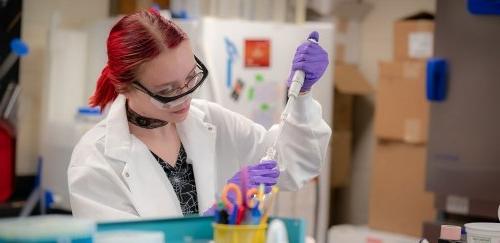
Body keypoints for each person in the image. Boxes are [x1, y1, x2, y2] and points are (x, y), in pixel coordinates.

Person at [67, 9, 331, 220]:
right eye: (168, 90)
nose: (185, 96)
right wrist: (211, 220)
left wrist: (303, 94)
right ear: (124, 87)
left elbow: (292, 165)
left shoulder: (212, 121)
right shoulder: (95, 159)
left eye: (191, 76)